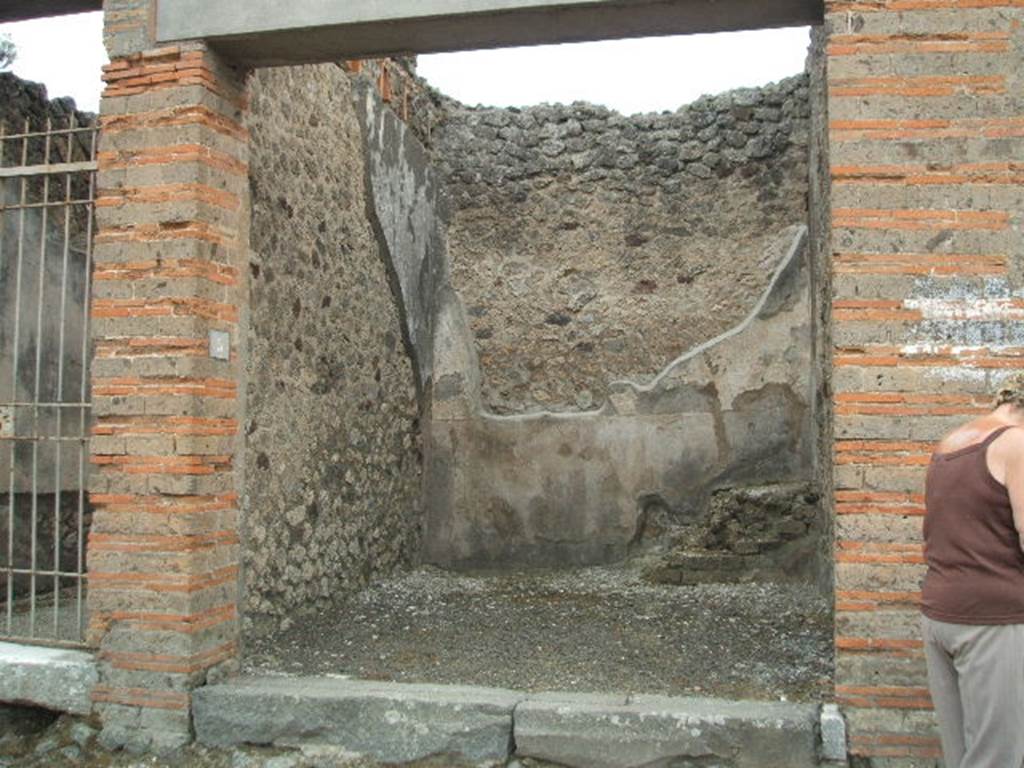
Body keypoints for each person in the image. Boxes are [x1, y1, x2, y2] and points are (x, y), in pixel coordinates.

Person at [921, 373, 1024, 767]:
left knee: (961, 754)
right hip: (993, 621)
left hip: (940, 616)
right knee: (997, 757)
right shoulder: (1014, 443)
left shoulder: (954, 440)